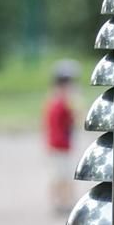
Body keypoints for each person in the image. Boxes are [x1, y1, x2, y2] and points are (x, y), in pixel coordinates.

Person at [44, 60, 77, 215]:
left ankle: (64, 201)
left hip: (60, 144)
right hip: (60, 145)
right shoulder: (60, 102)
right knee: (61, 175)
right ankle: (62, 202)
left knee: (62, 175)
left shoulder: (57, 101)